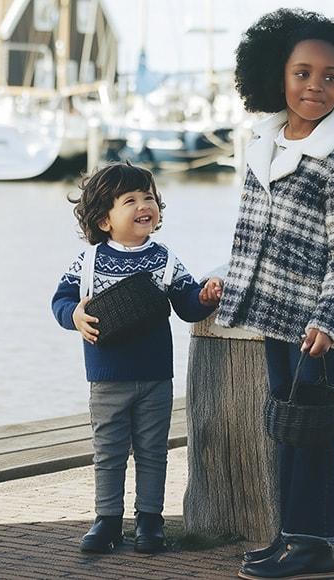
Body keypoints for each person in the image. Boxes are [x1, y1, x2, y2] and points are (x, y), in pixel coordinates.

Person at [215, 8, 334, 580]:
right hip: (272, 313)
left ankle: (313, 546)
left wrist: (330, 319)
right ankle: (288, 536)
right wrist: (227, 284)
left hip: (315, 324)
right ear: (276, 75)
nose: (315, 86)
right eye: (302, 72)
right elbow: (250, 232)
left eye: (330, 76)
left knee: (311, 431)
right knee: (284, 425)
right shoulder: (263, 142)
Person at [51, 162, 224, 554]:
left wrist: (206, 296)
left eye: (148, 197)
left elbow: (186, 304)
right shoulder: (89, 262)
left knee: (152, 452)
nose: (144, 204)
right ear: (104, 219)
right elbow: (60, 301)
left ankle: (150, 523)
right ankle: (108, 522)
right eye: (129, 200)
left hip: (155, 377)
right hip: (107, 378)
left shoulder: (164, 259)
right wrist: (74, 315)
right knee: (108, 454)